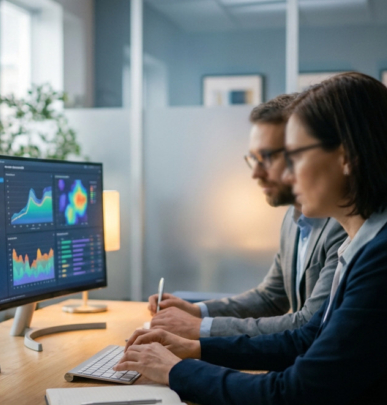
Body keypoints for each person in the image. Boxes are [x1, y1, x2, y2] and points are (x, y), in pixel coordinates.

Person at [116, 72, 387, 405]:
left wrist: (179, 371)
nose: (286, 175)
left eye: (296, 155)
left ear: (346, 157)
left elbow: (294, 398)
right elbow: (308, 337)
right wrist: (198, 348)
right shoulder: (380, 237)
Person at [148, 95, 346, 340]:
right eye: (253, 158)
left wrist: (199, 330)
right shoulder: (293, 218)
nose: (255, 173)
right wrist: (196, 311)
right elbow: (270, 297)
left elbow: (308, 324)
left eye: (266, 157)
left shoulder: (343, 224)